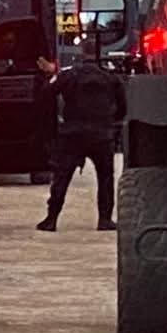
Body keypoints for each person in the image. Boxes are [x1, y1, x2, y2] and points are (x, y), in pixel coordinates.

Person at [34, 37, 126, 232]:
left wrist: (53, 123)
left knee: (62, 176)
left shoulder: (69, 76)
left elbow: (46, 94)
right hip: (102, 135)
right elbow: (123, 107)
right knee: (105, 177)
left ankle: (51, 219)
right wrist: (111, 124)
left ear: (81, 53)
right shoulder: (110, 78)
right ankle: (105, 219)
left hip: (72, 134)